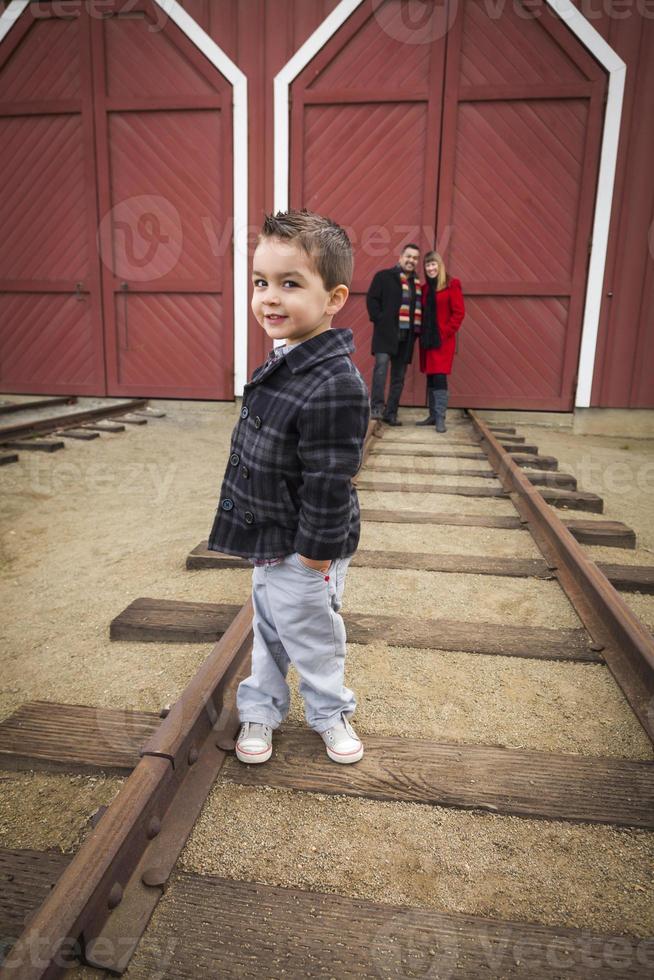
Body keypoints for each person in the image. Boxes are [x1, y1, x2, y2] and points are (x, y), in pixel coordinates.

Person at [207, 209, 370, 766]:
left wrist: (312, 558)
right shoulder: (286, 358)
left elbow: (329, 480)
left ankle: (329, 711)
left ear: (333, 298)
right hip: (269, 533)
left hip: (307, 547)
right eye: (261, 282)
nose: (269, 298)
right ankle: (262, 707)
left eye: (290, 284)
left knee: (313, 632)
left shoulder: (334, 382)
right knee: (270, 627)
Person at [366, 243, 421, 425]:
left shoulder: (417, 284)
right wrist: (379, 319)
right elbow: (372, 299)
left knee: (399, 376)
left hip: (406, 337)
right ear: (400, 257)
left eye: (415, 258)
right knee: (380, 370)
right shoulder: (384, 277)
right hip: (385, 333)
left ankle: (391, 413)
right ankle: (376, 408)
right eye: (408, 256)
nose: (411, 261)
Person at [417, 251, 465, 432]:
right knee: (430, 376)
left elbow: (458, 313)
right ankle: (432, 415)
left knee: (439, 376)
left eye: (433, 264)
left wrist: (443, 332)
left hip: (442, 341)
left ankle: (440, 418)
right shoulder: (425, 289)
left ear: (440, 265)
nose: (430, 268)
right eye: (427, 265)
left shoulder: (452, 285)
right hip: (428, 341)